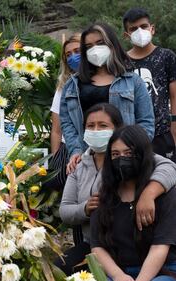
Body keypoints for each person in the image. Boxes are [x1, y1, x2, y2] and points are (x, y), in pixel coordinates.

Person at [58, 103, 176, 276]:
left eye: (103, 126)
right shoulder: (78, 166)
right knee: (63, 269)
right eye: (90, 126)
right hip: (96, 244)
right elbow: (65, 210)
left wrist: (148, 194)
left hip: (138, 241)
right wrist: (85, 208)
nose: (96, 131)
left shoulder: (133, 157)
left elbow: (169, 167)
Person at [91, 125, 176, 281]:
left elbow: (160, 246)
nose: (121, 159)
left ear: (142, 154)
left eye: (129, 153)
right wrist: (118, 276)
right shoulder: (105, 193)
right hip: (119, 270)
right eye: (115, 154)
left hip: (161, 271)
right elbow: (97, 245)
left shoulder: (164, 193)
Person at [59, 23, 154, 174]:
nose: (95, 49)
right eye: (89, 46)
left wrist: (132, 150)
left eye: (100, 43)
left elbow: (146, 121)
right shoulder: (72, 86)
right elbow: (67, 124)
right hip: (88, 159)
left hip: (125, 159)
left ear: (112, 44)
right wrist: (76, 151)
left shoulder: (133, 81)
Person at [123, 8, 176, 162]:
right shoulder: (121, 62)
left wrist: (174, 126)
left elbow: (174, 95)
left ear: (152, 28)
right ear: (127, 35)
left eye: (143, 26)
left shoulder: (167, 56)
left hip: (163, 132)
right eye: (133, 29)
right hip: (131, 135)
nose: (139, 31)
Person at [49, 33, 81, 190]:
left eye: (77, 51)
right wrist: (56, 160)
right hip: (69, 153)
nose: (73, 57)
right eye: (68, 55)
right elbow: (56, 130)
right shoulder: (64, 87)